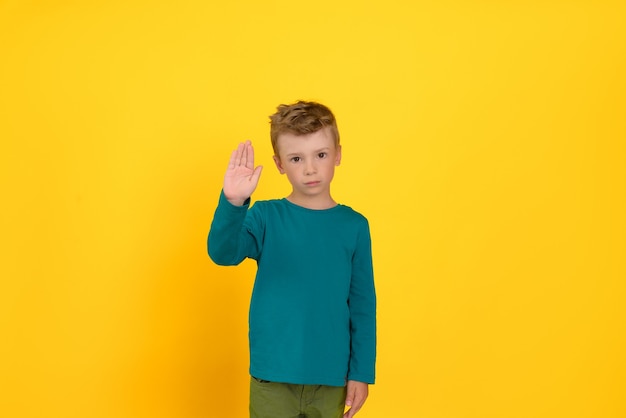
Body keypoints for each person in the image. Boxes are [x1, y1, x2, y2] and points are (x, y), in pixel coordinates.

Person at [207, 101, 376, 418]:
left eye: (321, 155)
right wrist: (233, 202)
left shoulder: (354, 226)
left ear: (338, 154)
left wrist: (361, 372)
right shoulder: (265, 216)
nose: (310, 168)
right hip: (272, 377)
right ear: (280, 163)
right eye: (296, 158)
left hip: (331, 379)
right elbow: (222, 253)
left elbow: (363, 305)